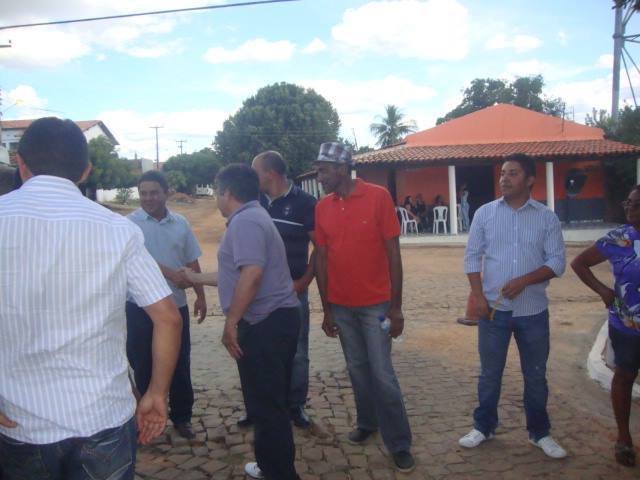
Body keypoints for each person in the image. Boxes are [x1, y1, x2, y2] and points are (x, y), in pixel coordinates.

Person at [0, 117, 182, 479]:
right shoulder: (119, 230)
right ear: (85, 171)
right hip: (103, 418)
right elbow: (168, 317)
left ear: (20, 162)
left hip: (20, 422)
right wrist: (157, 394)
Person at [185, 164, 301, 480]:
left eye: (216, 192)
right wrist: (193, 277)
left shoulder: (246, 222)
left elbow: (252, 274)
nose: (215, 198)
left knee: (268, 406)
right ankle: (270, 466)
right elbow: (234, 274)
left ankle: (280, 473)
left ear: (227, 192)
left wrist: (230, 322)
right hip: (276, 320)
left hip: (266, 324)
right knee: (266, 403)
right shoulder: (252, 217)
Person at [314, 142, 415, 473]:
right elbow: (323, 259)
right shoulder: (322, 206)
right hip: (341, 306)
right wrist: (326, 309)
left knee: (382, 374)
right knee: (357, 369)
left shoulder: (378, 197)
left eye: (323, 169)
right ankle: (367, 422)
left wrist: (396, 307)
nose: (319, 175)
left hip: (376, 305)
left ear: (342, 169)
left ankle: (399, 443)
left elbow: (394, 253)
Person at [459, 153, 567, 459]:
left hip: (533, 311)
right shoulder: (485, 214)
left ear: (530, 179)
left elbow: (557, 261)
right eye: (503, 173)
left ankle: (539, 433)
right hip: (494, 311)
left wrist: (526, 280)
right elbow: (471, 257)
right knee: (489, 373)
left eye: (513, 173)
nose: (505, 178)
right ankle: (484, 426)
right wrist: (478, 297)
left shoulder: (546, 217)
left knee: (535, 375)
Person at [126, 170, 207, 440]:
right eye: (143, 193)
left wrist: (201, 296)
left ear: (166, 193)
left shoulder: (181, 223)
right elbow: (141, 261)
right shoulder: (129, 225)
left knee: (181, 362)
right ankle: (147, 418)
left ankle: (182, 417)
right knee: (143, 362)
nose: (148, 198)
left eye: (153, 192)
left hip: (176, 306)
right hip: (138, 308)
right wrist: (172, 274)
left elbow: (192, 261)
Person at [571, 185, 640, 467]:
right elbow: (580, 263)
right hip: (626, 325)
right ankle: (624, 438)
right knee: (624, 377)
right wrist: (603, 291)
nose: (629, 207)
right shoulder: (618, 239)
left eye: (636, 203)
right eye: (628, 202)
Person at [251, 150, 317, 428]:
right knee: (257, 351)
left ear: (271, 174)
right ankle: (259, 407)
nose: (252, 177)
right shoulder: (253, 203)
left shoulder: (306, 203)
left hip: (293, 293)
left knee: (298, 352)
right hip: (257, 294)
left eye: (255, 172)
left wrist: (303, 283)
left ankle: (295, 405)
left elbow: (321, 248)